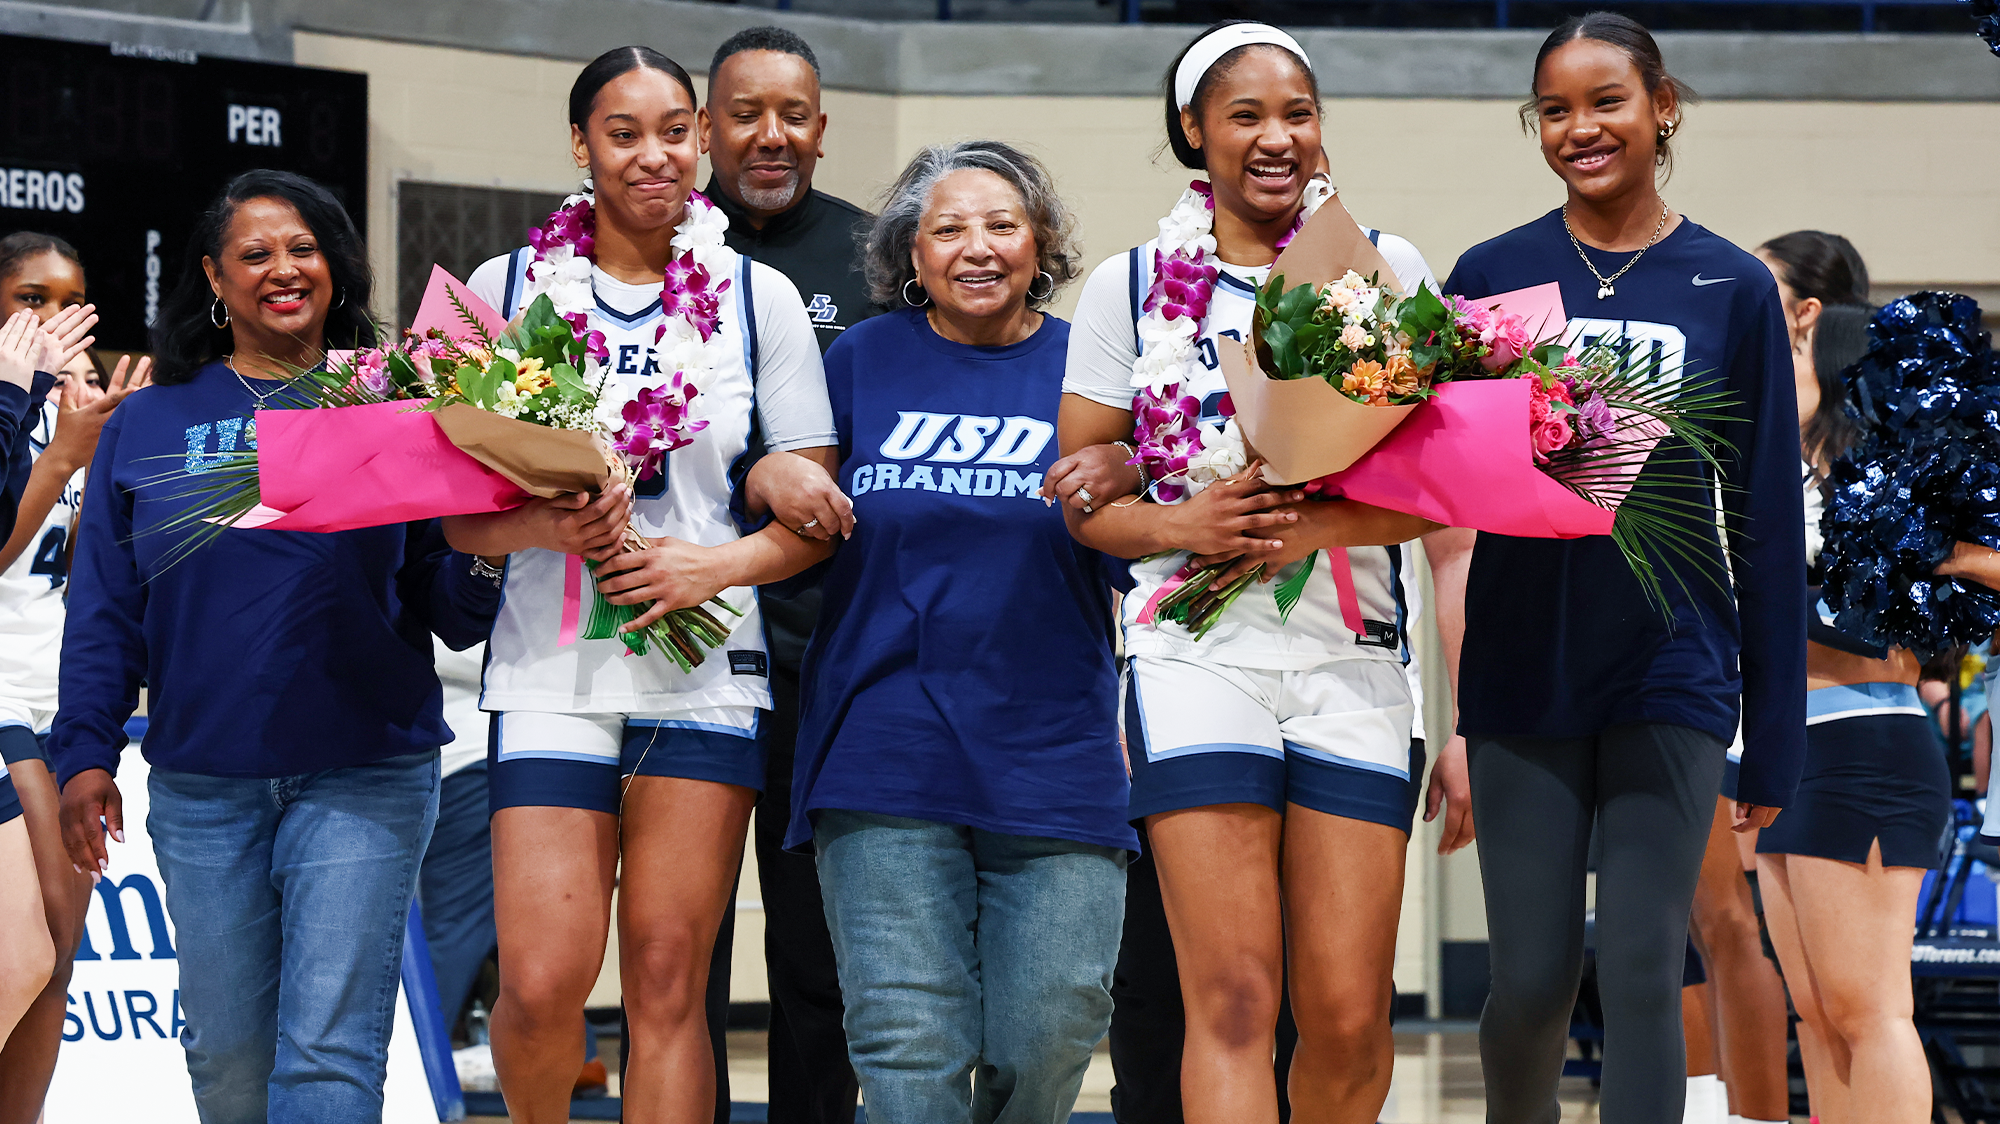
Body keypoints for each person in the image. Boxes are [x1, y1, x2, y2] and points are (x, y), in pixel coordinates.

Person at [1057, 21, 1466, 1123]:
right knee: (1232, 997)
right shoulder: (1129, 285)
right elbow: (1086, 504)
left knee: (1345, 1012)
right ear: (1193, 131)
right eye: (1245, 115)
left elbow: (1441, 488)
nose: (1276, 136)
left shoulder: (1387, 268)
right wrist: (1182, 519)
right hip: (1194, 657)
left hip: (1352, 661)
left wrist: (1313, 527)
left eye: (1297, 112)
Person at [49, 168, 504, 1122]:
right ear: (214, 279)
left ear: (337, 267)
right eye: (255, 253)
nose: (283, 269)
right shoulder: (148, 423)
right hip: (202, 781)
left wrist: (500, 538)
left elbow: (451, 609)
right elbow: (104, 607)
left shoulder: (400, 408)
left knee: (330, 1058)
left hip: (366, 770)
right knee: (228, 1061)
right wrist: (86, 748)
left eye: (304, 248)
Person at [449, 46, 836, 1124]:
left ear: (700, 139)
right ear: (581, 146)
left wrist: (717, 561)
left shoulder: (759, 300)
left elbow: (811, 514)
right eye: (623, 133)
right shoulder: (504, 288)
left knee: (669, 987)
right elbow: (450, 513)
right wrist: (545, 522)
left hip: (706, 668)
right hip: (546, 669)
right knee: (538, 983)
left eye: (674, 130)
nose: (653, 154)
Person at [1440, 13, 1806, 1124]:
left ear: (1661, 107)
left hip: (1669, 667)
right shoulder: (1489, 272)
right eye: (1554, 108)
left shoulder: (1729, 285)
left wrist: (1774, 736)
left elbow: (1762, 522)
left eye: (1606, 101)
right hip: (1521, 671)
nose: (1580, 127)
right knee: (1532, 982)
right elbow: (1448, 495)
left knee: (1645, 966)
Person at [766, 137, 1128, 1124]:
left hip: (1054, 753)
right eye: (948, 228)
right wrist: (762, 482)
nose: (978, 247)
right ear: (909, 255)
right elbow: (791, 503)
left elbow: (1139, 550)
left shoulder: (1090, 373)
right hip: (884, 749)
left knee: (1048, 1030)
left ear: (1039, 242)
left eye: (1002, 224)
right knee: (906, 1047)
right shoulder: (861, 357)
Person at [698, 27, 873, 1124]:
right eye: (744, 113)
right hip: (682, 653)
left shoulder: (874, 258)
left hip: (827, 658)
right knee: (682, 953)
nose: (770, 135)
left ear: (820, 126)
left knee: (819, 958)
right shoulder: (646, 249)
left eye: (792, 113)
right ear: (704, 125)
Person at [1750, 292, 1942, 1124]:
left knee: (1870, 1012)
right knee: (1818, 1015)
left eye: (1791, 352)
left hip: (1865, 742)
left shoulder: (1889, 484)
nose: (1772, 367)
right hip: (1778, 749)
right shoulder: (1776, 473)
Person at [0, 232, 149, 1123]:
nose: (56, 320)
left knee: (59, 952)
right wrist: (59, 458)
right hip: (5, 693)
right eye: (30, 298)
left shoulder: (92, 410)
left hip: (71, 702)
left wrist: (105, 468)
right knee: (28, 945)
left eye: (72, 299)